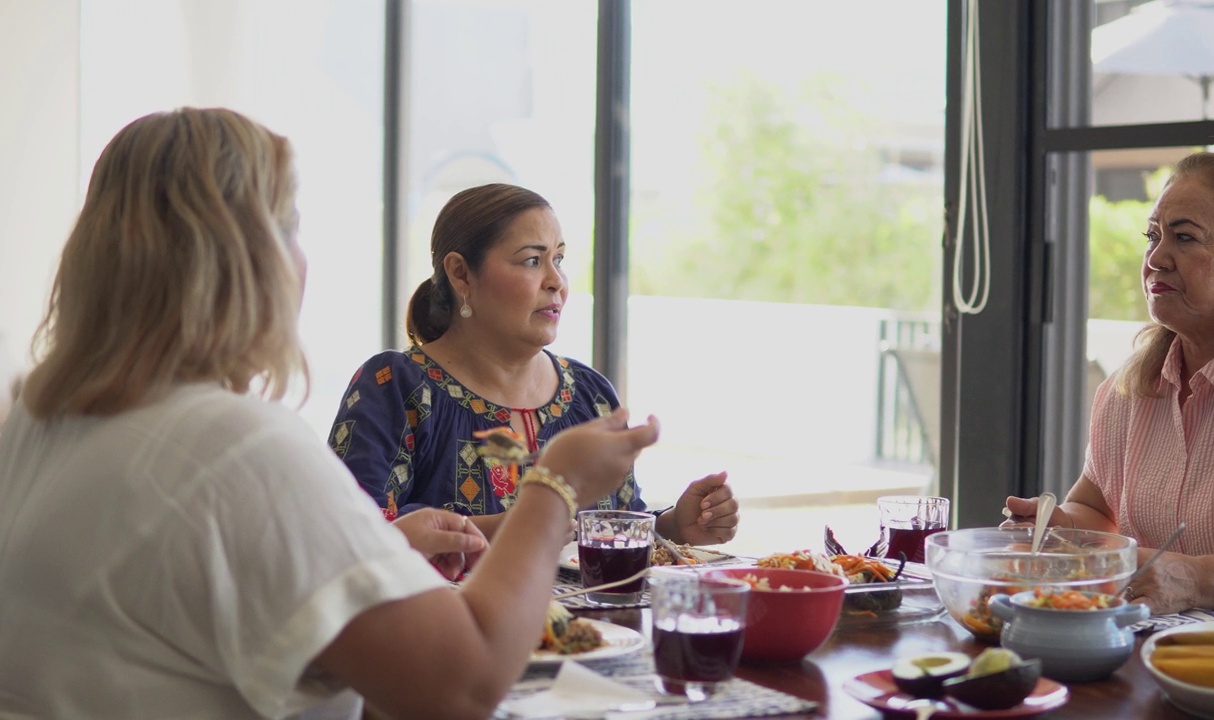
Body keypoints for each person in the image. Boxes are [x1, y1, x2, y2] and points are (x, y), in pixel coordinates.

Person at [0, 107, 660, 720]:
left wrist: (382, 551)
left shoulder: (34, 418)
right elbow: (459, 689)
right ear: (245, 260)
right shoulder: (236, 447)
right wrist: (554, 486)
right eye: (289, 228)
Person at [327, 183, 739, 545]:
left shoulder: (589, 394)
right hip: (449, 631)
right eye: (531, 260)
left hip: (598, 635)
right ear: (461, 274)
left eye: (558, 259)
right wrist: (524, 525)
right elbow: (351, 538)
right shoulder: (395, 387)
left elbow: (611, 527)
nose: (556, 281)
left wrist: (671, 528)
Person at [1004, 151, 1214, 616]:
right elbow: (1096, 511)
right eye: (1152, 236)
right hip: (1144, 652)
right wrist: (1059, 532)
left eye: (1185, 238)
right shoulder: (1127, 389)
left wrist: (1194, 579)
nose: (1156, 258)